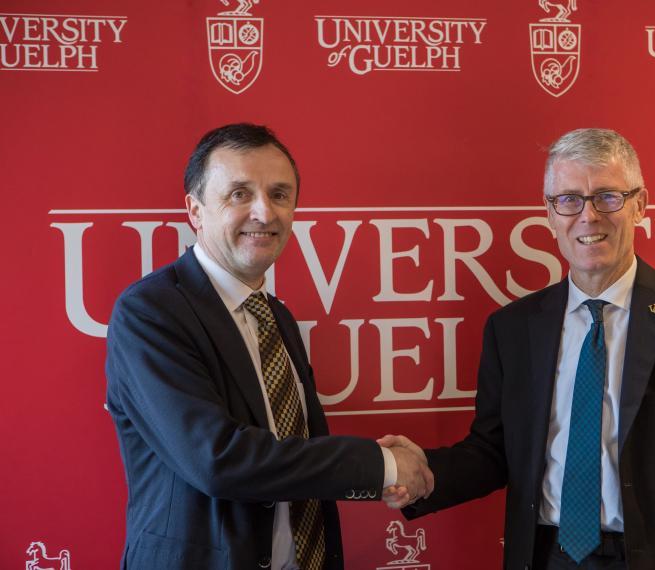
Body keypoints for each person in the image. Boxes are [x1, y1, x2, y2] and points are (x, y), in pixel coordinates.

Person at [381, 128, 655, 569]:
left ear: (640, 206)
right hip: (548, 557)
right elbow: (493, 453)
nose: (588, 216)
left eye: (607, 196)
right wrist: (424, 474)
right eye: (569, 199)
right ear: (550, 214)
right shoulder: (511, 330)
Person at [106, 123, 432, 570]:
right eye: (240, 194)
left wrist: (380, 477)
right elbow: (218, 460)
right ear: (195, 210)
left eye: (279, 194)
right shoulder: (151, 312)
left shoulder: (276, 316)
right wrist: (381, 466)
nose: (264, 212)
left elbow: (297, 454)